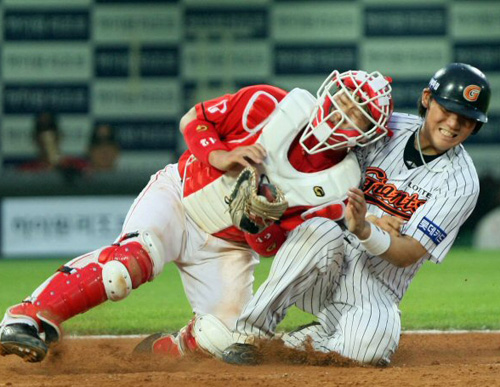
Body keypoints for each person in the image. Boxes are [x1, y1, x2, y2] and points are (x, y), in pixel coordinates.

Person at [0, 69, 393, 363]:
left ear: (368, 132)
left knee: (224, 339)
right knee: (125, 267)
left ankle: (160, 354)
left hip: (228, 247)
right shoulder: (270, 104)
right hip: (180, 196)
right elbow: (195, 118)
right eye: (343, 100)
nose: (343, 115)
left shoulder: (340, 186)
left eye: (357, 115)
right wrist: (220, 157)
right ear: (329, 90)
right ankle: (26, 317)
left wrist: (256, 225)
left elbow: (276, 246)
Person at [221, 63, 491, 367]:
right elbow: (322, 169)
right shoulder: (382, 129)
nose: (453, 124)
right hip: (324, 259)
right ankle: (250, 335)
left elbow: (408, 253)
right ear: (428, 98)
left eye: (466, 119)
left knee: (370, 350)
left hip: (377, 287)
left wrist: (364, 229)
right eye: (447, 110)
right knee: (321, 230)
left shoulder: (461, 183)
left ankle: (304, 341)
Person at [19, 112, 88, 174]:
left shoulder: (77, 166)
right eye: (41, 130)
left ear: (60, 136)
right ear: (35, 139)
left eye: (50, 128)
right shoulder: (27, 170)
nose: (47, 136)